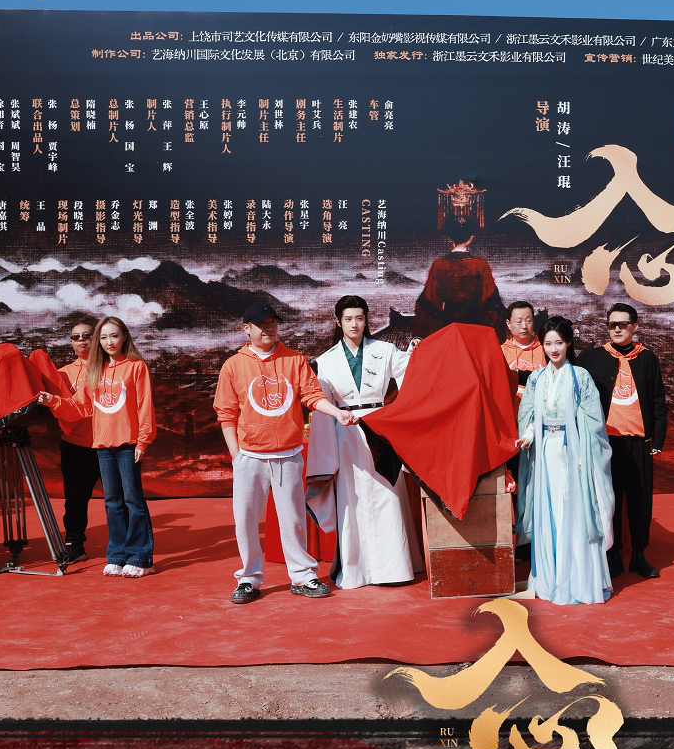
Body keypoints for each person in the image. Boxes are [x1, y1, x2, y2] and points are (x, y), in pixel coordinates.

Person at [213, 302, 358, 603]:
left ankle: (303, 576)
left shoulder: (294, 359)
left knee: (293, 519)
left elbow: (312, 395)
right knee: (246, 521)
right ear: (246, 329)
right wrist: (236, 454)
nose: (269, 328)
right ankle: (249, 578)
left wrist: (337, 412)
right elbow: (226, 413)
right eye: (261, 324)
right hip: (250, 457)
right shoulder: (233, 365)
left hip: (288, 455)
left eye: (273, 323)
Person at [307, 295, 422, 590]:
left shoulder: (385, 350)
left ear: (366, 319)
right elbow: (322, 405)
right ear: (338, 322)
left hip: (380, 429)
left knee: (387, 494)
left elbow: (414, 373)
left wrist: (419, 351)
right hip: (345, 433)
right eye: (348, 319)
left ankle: (394, 568)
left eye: (359, 318)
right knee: (352, 499)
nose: (354, 324)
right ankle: (357, 571)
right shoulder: (326, 360)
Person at [37, 316, 156, 577]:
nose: (109, 342)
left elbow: (144, 406)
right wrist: (52, 401)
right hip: (102, 445)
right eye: (104, 337)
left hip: (128, 443)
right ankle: (117, 555)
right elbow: (81, 407)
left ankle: (140, 557)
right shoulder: (95, 370)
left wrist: (143, 441)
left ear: (124, 337)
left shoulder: (136, 367)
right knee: (112, 503)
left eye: (114, 336)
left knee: (133, 500)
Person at [516, 317, 615, 605]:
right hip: (545, 454)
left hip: (574, 453)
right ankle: (550, 579)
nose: (553, 349)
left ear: (569, 342)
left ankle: (578, 580)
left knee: (573, 512)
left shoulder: (581, 377)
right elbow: (531, 416)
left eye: (559, 342)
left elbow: (593, 422)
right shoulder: (536, 378)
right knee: (549, 512)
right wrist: (528, 436)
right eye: (548, 343)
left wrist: (585, 456)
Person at [577, 303, 668, 579]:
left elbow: (658, 400)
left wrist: (657, 440)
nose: (616, 329)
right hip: (605, 442)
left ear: (634, 326)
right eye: (612, 324)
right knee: (610, 499)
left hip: (639, 441)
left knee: (641, 499)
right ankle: (613, 553)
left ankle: (639, 554)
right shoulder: (591, 357)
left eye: (622, 324)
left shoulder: (648, 358)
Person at [413, 217, 508, 338]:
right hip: (476, 328)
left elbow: (427, 304)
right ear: (471, 237)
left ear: (449, 237)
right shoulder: (480, 265)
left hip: (449, 326)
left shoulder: (439, 266)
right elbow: (492, 304)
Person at [53, 320, 100, 563]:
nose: (81, 340)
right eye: (75, 337)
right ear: (71, 342)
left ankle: (125, 546)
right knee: (75, 500)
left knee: (119, 500)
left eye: (86, 335)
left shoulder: (109, 368)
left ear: (96, 338)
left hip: (108, 444)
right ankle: (74, 544)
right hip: (75, 445)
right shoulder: (62, 374)